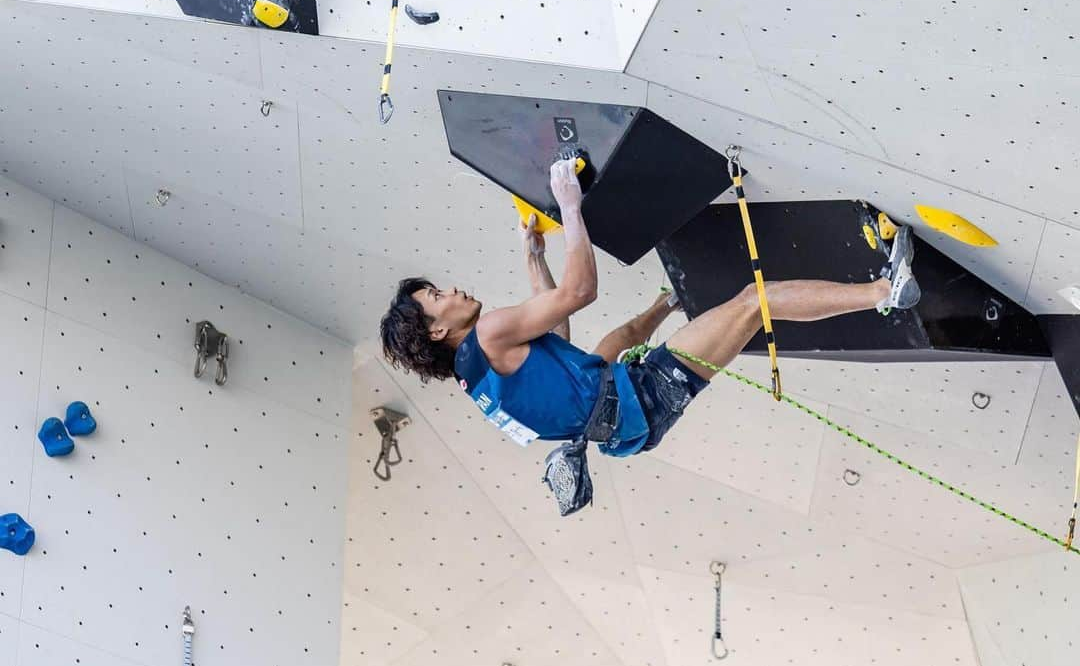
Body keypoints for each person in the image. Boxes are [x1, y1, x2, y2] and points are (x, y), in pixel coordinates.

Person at [379, 158, 920, 462]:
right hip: (641, 396)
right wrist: (570, 205)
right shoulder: (490, 332)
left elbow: (556, 332)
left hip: (622, 421)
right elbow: (579, 293)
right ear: (438, 329)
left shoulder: (474, 374)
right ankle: (884, 292)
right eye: (435, 298)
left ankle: (669, 300)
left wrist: (533, 260)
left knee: (610, 344)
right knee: (755, 303)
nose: (449, 289)